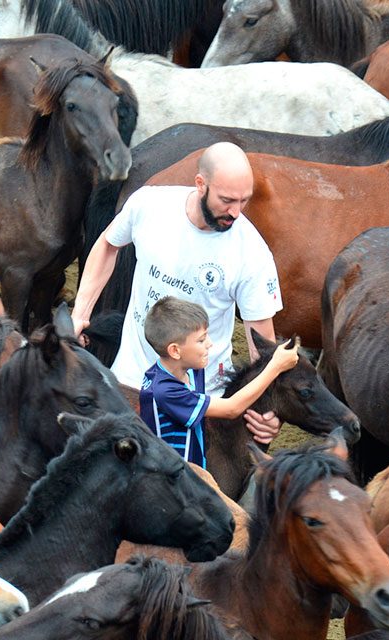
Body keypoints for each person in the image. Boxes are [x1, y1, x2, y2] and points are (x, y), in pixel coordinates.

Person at [72, 142, 285, 443]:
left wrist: (269, 409)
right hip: (128, 383)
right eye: (226, 200)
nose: (236, 213)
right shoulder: (149, 206)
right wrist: (80, 313)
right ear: (201, 184)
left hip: (199, 398)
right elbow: (108, 244)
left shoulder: (251, 252)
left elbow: (261, 346)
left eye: (244, 201)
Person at [138, 297, 299, 467]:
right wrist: (275, 367)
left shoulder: (191, 369)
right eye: (201, 340)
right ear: (175, 351)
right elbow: (231, 408)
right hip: (172, 479)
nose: (210, 344)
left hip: (194, 467)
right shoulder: (165, 391)